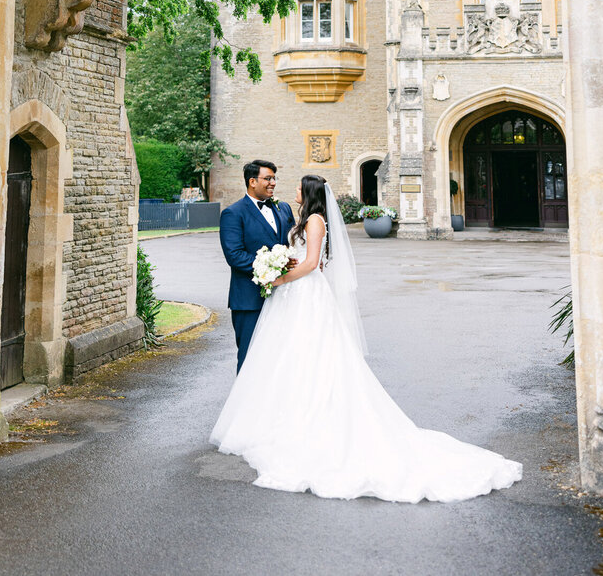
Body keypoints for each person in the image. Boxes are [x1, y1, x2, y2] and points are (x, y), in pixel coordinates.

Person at [211, 174, 523, 503]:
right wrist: (276, 266)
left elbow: (312, 264)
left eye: (300, 188)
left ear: (311, 193)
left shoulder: (315, 220)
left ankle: (310, 420)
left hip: (304, 293)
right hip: (292, 297)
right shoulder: (300, 216)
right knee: (289, 356)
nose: (293, 191)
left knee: (312, 354)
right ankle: (278, 415)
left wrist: (278, 278)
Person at [218, 160, 296, 372]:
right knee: (250, 356)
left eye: (274, 178)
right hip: (249, 300)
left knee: (280, 355)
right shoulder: (233, 213)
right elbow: (235, 256)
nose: (273, 183)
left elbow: (291, 243)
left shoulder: (284, 208)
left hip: (282, 296)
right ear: (252, 182)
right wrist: (272, 267)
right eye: (268, 178)